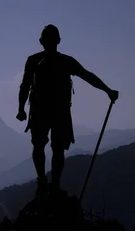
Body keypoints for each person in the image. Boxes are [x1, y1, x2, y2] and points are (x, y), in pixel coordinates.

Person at [16, 24, 119, 197]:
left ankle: (43, 182)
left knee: (41, 146)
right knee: (55, 148)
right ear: (58, 41)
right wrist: (107, 90)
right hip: (59, 112)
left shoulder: (34, 60)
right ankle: (52, 184)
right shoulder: (65, 61)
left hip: (42, 111)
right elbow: (87, 76)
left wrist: (21, 109)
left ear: (42, 41)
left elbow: (25, 86)